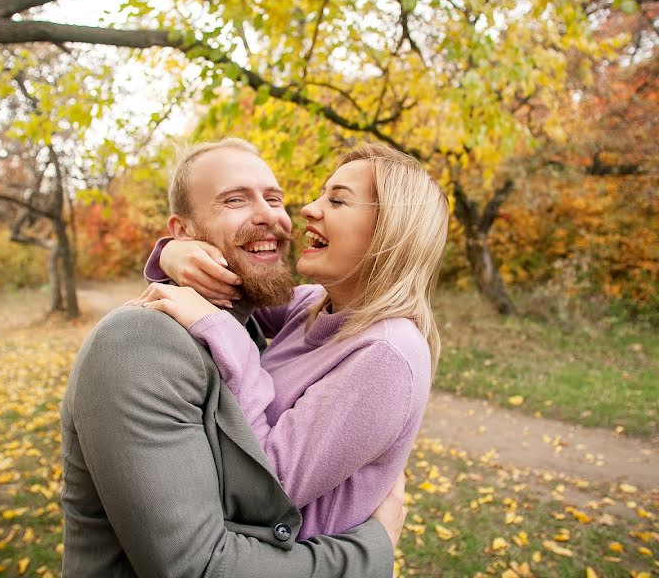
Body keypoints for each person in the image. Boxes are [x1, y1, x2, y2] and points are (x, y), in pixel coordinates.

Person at [60, 138, 405, 578]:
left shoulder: (250, 319)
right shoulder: (138, 344)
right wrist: (372, 549)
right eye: (235, 200)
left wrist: (168, 252)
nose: (269, 214)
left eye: (274, 198)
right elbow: (197, 569)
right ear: (183, 229)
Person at [134, 141, 449, 540]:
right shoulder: (314, 306)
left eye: (337, 201)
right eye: (321, 194)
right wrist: (173, 252)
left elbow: (271, 488)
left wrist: (220, 329)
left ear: (390, 231)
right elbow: (239, 282)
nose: (308, 209)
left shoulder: (387, 353)